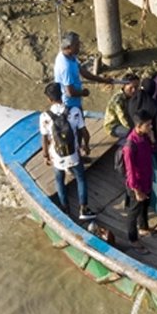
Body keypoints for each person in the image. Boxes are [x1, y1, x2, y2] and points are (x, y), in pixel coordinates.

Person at [40, 82, 96, 220]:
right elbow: (84, 132)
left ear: (49, 99)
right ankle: (84, 209)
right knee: (81, 179)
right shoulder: (74, 111)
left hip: (57, 156)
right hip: (73, 154)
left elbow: (45, 139)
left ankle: (65, 210)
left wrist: (46, 155)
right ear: (62, 94)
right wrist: (86, 146)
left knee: (59, 180)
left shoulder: (44, 116)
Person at [52, 32, 114, 110]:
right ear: (68, 47)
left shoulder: (69, 55)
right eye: (77, 45)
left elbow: (83, 71)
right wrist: (83, 93)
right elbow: (70, 93)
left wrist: (103, 80)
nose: (79, 47)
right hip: (69, 105)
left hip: (75, 101)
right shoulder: (66, 67)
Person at [123, 112, 155, 252]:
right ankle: (132, 238)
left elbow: (152, 151)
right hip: (136, 184)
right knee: (134, 211)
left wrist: (152, 139)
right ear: (138, 126)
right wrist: (136, 190)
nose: (150, 127)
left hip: (146, 179)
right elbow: (130, 171)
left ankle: (143, 227)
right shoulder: (130, 146)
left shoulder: (145, 137)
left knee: (144, 206)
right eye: (148, 125)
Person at [103, 73, 140, 138]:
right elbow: (124, 120)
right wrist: (138, 128)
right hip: (114, 126)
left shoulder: (133, 95)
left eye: (136, 87)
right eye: (131, 87)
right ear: (124, 86)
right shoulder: (118, 100)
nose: (134, 90)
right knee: (134, 134)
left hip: (127, 121)